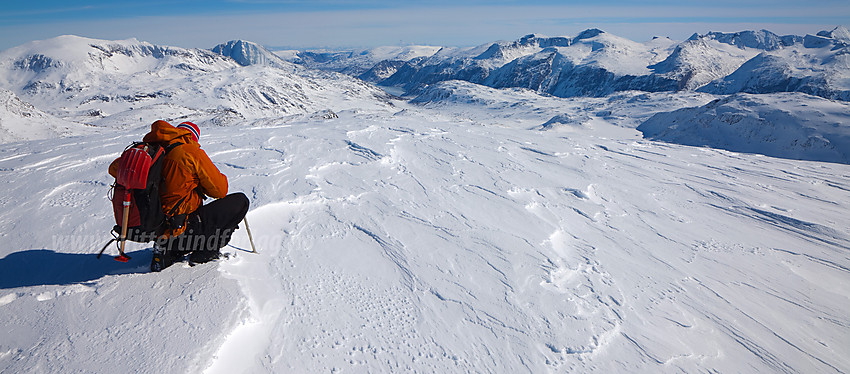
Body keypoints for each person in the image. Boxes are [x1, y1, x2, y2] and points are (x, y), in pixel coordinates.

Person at [109, 120, 249, 271]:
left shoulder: (152, 151)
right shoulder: (190, 152)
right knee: (240, 201)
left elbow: (113, 169)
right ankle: (206, 252)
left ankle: (168, 251)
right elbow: (220, 191)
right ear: (193, 137)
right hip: (182, 227)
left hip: (155, 227)